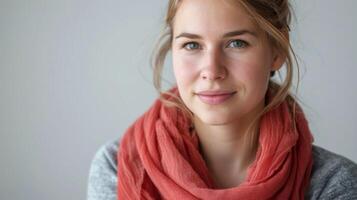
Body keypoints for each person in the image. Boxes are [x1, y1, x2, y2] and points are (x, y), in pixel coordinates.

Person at [87, 0, 357, 199]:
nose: (212, 71)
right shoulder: (118, 165)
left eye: (236, 43)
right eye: (192, 45)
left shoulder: (332, 183)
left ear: (277, 50)